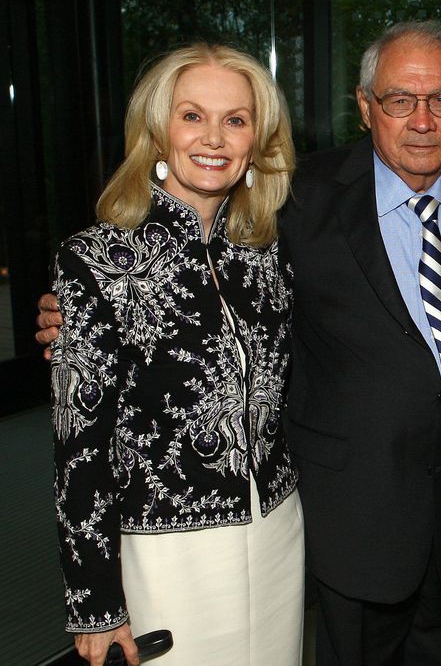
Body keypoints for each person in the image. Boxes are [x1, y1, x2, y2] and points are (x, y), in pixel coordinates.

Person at [280, 21, 441, 665]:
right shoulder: (296, 201)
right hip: (354, 523)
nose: (421, 120)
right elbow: (211, 282)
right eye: (399, 100)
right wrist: (90, 308)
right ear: (366, 108)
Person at [48, 44, 302, 665]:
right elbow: (79, 448)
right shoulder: (95, 260)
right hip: (164, 551)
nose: (213, 137)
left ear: (257, 142)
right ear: (158, 131)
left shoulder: (270, 252)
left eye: (235, 120)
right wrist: (95, 602)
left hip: (276, 531)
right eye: (192, 116)